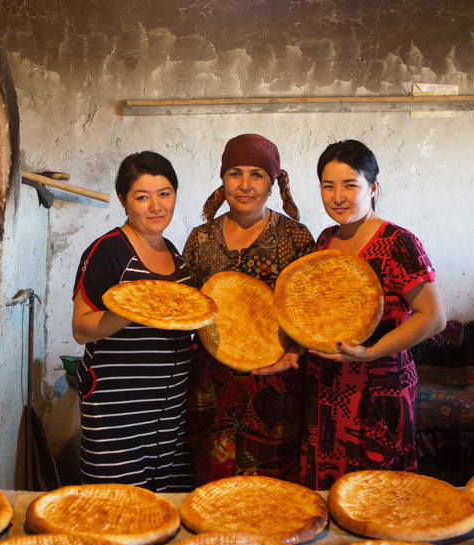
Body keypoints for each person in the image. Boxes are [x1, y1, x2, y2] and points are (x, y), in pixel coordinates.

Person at [300, 139, 446, 490]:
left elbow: (434, 316)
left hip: (379, 389)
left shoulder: (397, 241)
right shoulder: (325, 241)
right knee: (327, 496)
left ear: (373, 187)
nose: (338, 197)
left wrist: (370, 352)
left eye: (350, 185)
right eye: (328, 186)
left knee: (379, 499)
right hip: (326, 386)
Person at [182, 133, 316, 484]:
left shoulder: (296, 238)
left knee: (272, 488)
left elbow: (310, 311)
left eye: (256, 174)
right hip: (211, 382)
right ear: (223, 179)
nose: (244, 185)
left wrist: (295, 352)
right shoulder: (201, 238)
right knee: (214, 483)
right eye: (235, 173)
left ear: (273, 182)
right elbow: (187, 304)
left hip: (275, 384)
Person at [71, 151, 193, 492]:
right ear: (125, 201)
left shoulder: (174, 254)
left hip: (169, 411)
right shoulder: (108, 251)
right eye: (142, 197)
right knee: (117, 507)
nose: (156, 206)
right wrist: (130, 310)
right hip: (118, 409)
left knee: (163, 507)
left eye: (164, 193)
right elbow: (80, 328)